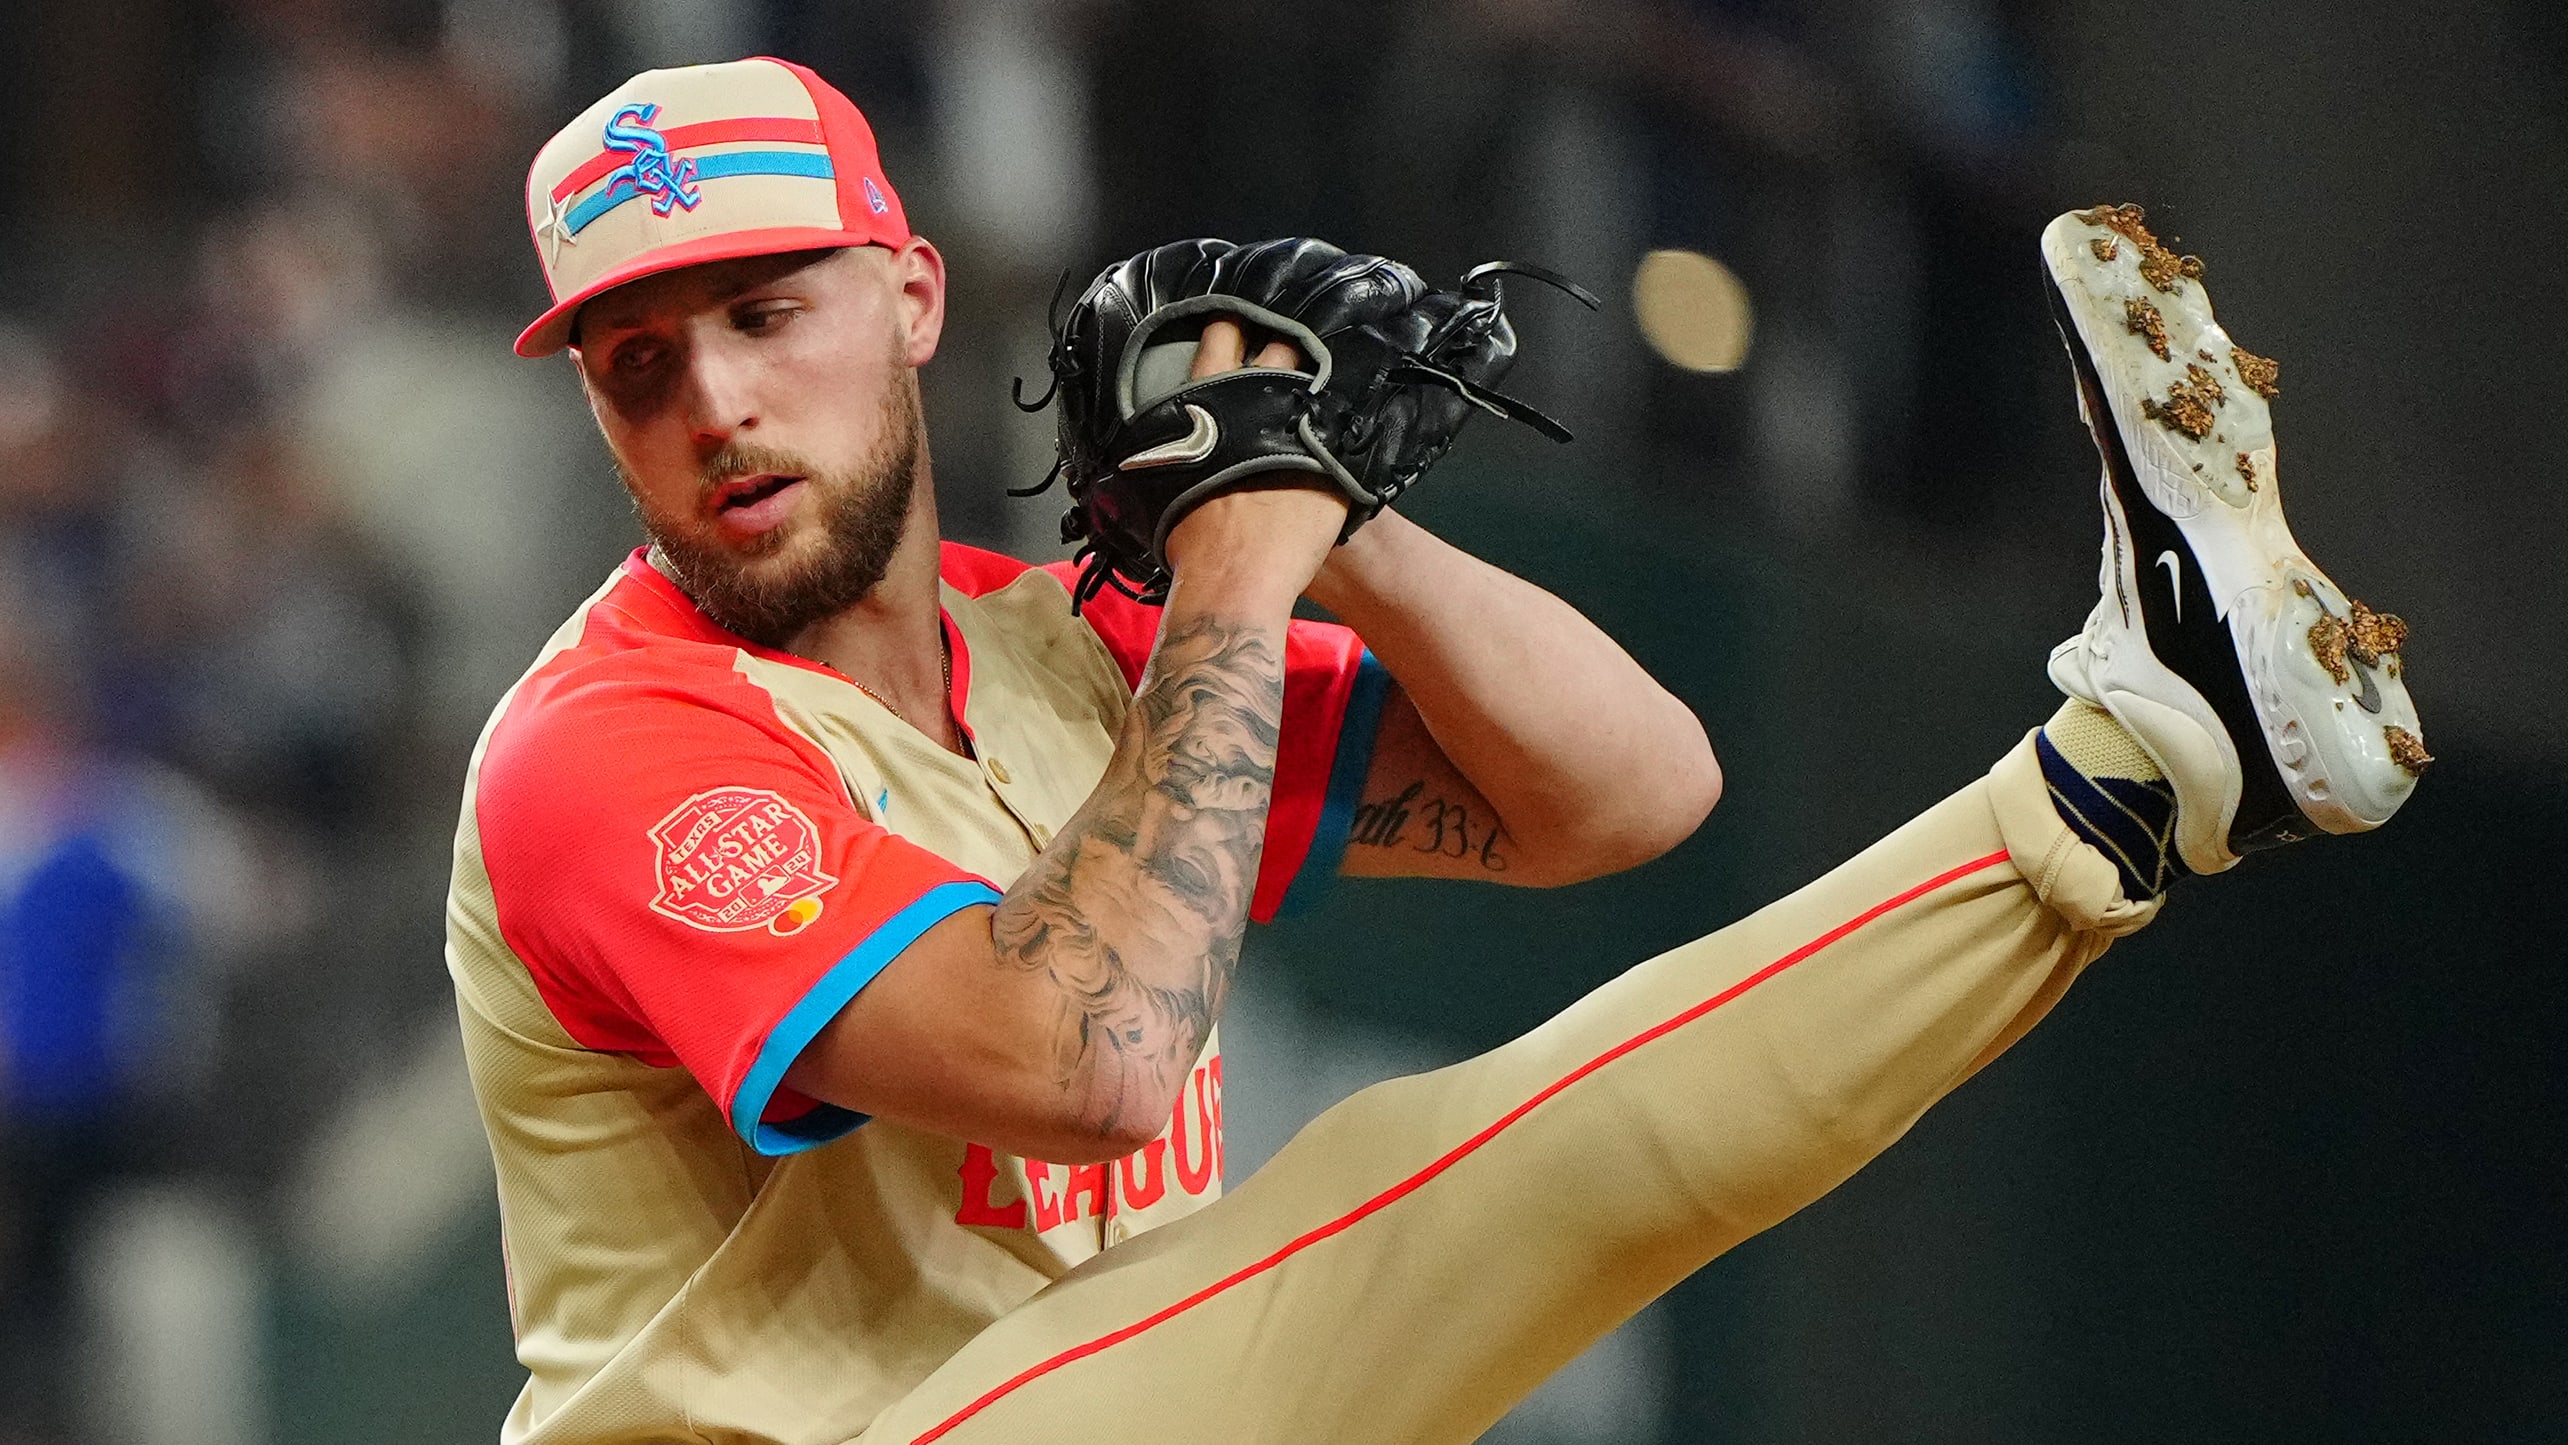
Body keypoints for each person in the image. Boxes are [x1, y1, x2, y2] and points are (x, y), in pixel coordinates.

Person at [446, 59, 2425, 1444]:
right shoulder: (609, 753)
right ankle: (2152, 748)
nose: (713, 395)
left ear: (908, 297)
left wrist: (1338, 514)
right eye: (640, 361)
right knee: (1402, 1190)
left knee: (1491, 1189)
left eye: (764, 310)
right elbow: (1094, 1064)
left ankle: (2171, 763)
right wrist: (1233, 576)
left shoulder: (1059, 653)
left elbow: (1630, 790)